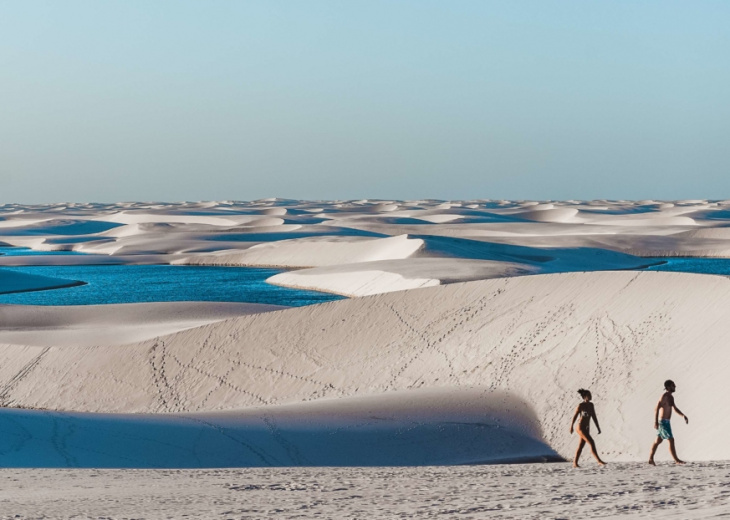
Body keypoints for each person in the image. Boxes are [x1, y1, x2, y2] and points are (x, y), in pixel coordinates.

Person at [649, 379, 689, 465]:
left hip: (666, 422)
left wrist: (683, 415)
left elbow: (674, 408)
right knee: (671, 439)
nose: (675, 387)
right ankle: (676, 460)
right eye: (673, 385)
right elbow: (656, 409)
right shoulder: (664, 396)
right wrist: (655, 422)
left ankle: (650, 459)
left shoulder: (671, 397)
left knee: (658, 441)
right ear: (668, 387)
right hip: (663, 422)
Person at [569, 388, 606, 467]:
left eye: (590, 395)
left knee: (581, 445)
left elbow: (594, 416)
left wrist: (598, 427)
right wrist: (571, 426)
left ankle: (575, 463)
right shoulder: (580, 405)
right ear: (585, 397)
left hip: (586, 428)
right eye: (589, 395)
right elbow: (575, 416)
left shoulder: (591, 405)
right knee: (591, 442)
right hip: (580, 427)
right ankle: (599, 461)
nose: (590, 396)